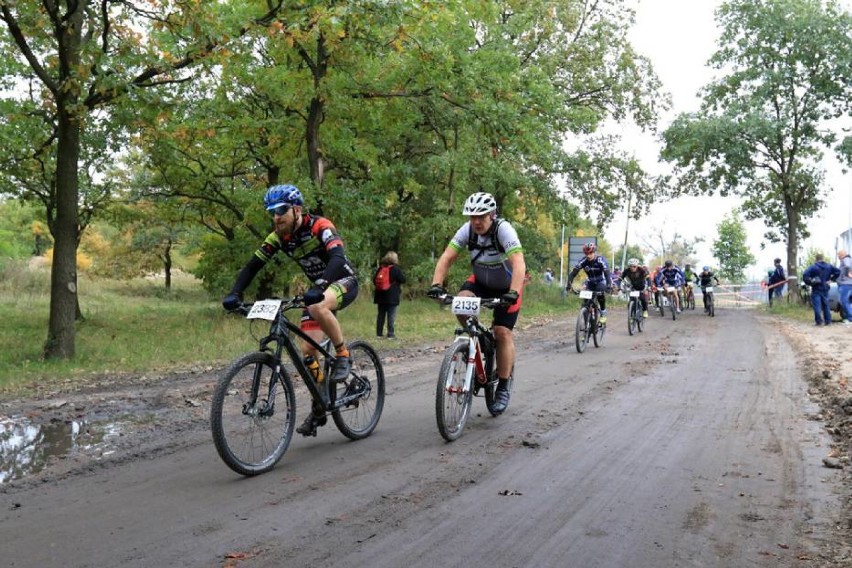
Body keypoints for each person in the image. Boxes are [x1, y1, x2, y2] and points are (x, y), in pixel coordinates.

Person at [222, 184, 359, 436]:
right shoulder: (277, 237)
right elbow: (253, 266)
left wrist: (320, 284)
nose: (276, 216)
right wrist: (235, 293)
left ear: (296, 209)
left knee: (316, 304)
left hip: (343, 281)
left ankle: (343, 353)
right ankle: (320, 405)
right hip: (318, 290)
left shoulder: (320, 226)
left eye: (281, 210)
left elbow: (338, 258)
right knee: (307, 351)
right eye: (271, 212)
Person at [427, 192, 525, 415]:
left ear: (492, 214)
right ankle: (478, 340)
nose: (476, 221)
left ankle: (502, 385)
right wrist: (436, 284)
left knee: (502, 332)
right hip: (480, 281)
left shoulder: (504, 230)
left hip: (507, 285)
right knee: (461, 302)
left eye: (481, 216)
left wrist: (514, 292)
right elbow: (447, 257)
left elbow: (518, 263)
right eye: (472, 216)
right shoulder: (467, 230)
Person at [566, 242, 612, 323]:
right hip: (590, 282)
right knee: (585, 302)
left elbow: (607, 273)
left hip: (600, 281)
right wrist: (569, 285)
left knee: (600, 295)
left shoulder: (600, 260)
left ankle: (603, 313)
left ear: (594, 252)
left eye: (590, 253)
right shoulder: (583, 261)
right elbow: (573, 273)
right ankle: (588, 323)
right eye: (586, 253)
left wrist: (609, 285)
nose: (588, 255)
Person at [373, 251, 406, 338]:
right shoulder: (396, 269)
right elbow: (403, 279)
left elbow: (374, 280)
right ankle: (390, 334)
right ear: (395, 259)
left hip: (380, 296)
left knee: (381, 315)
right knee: (391, 315)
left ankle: (379, 334)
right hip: (392, 296)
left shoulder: (380, 269)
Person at [801, 254, 840, 326]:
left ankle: (819, 322)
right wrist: (831, 280)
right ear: (823, 258)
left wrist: (810, 282)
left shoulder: (813, 267)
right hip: (825, 288)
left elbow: (805, 275)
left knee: (817, 305)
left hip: (816, 288)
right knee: (826, 305)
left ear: (816, 259)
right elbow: (838, 272)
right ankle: (828, 321)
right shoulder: (829, 266)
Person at [838, 249, 852, 324]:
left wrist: (848, 273)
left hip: (846, 284)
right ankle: (847, 318)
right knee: (848, 302)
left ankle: (850, 318)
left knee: (843, 301)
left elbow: (847, 266)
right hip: (847, 283)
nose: (838, 257)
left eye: (838, 255)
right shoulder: (848, 259)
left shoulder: (846, 259)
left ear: (842, 255)